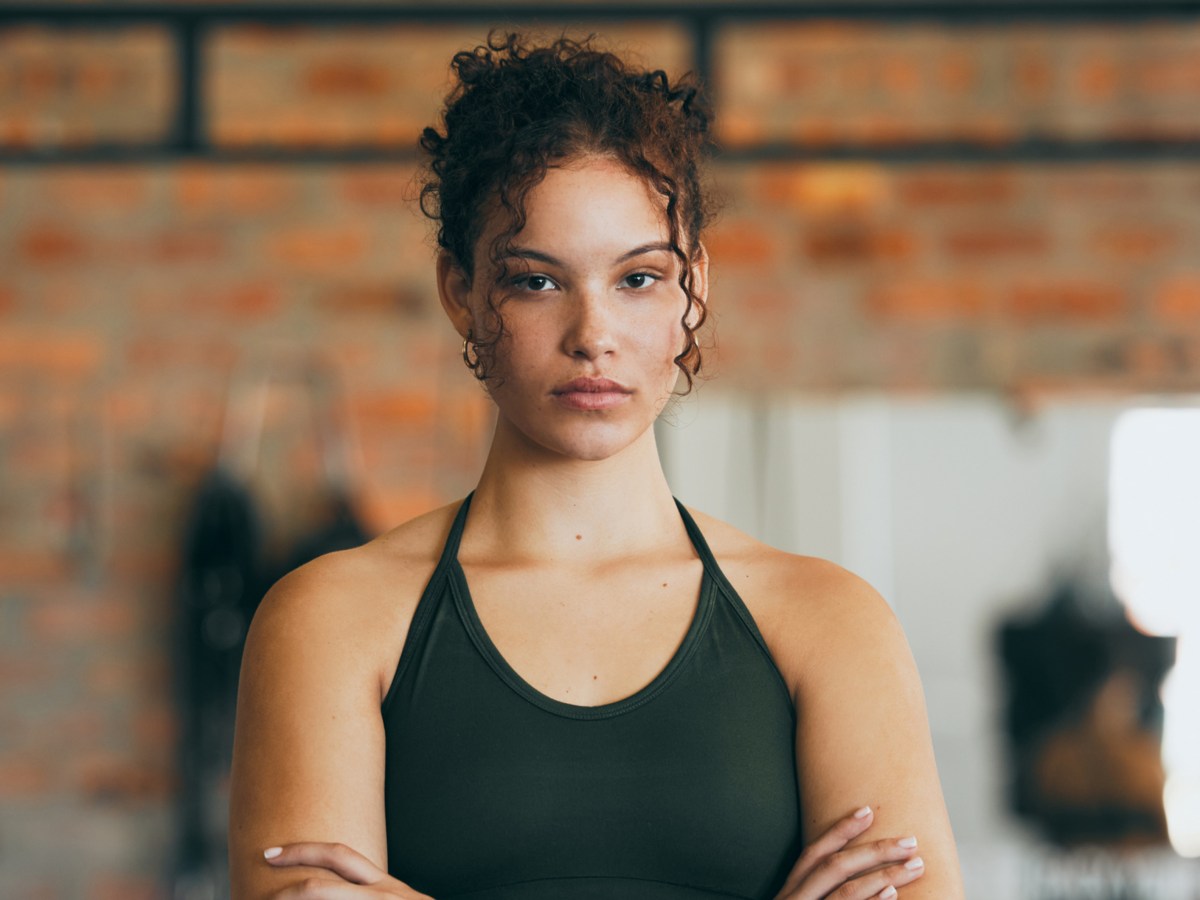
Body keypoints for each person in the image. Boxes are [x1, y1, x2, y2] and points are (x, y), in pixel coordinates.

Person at [228, 33, 964, 900]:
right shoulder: (329, 623)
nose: (593, 336)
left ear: (695, 291)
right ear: (460, 292)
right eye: (538, 281)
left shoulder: (833, 627)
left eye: (638, 279)